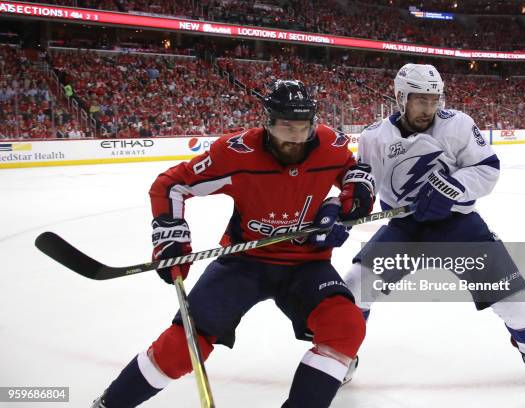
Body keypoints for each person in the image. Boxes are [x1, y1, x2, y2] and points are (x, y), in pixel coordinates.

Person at [90, 79, 375, 408]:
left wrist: (347, 204)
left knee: (346, 326)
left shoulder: (331, 145)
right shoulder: (235, 152)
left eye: (303, 128)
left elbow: (354, 172)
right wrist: (171, 237)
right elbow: (171, 185)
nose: (296, 138)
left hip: (306, 264)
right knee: (184, 347)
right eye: (286, 128)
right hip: (244, 263)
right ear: (267, 122)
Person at [342, 64, 525, 387]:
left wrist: (450, 187)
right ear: (401, 98)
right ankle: (343, 355)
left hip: (459, 226)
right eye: (419, 100)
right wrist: (355, 201)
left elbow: (487, 169)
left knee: (519, 304)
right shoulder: (374, 137)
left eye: (433, 100)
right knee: (355, 286)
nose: (428, 109)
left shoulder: (458, 125)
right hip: (405, 230)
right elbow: (366, 181)